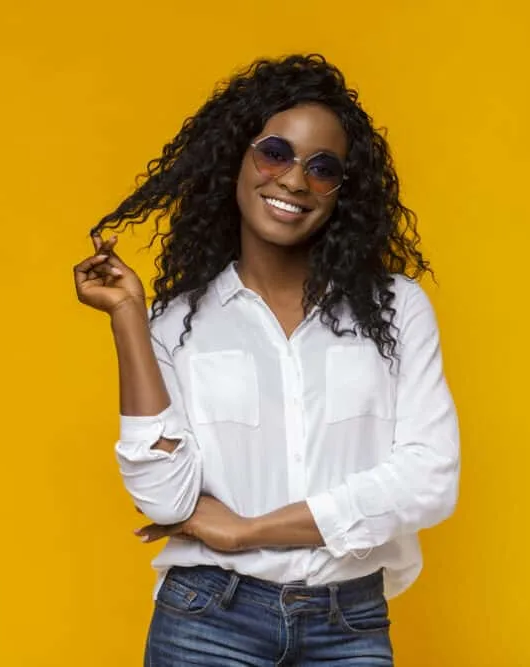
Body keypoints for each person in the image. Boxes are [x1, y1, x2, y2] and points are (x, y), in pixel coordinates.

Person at [72, 54, 460, 666]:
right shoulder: (177, 323)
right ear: (237, 160)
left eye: (323, 168)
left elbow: (429, 480)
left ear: (343, 192)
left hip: (348, 622)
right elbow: (167, 499)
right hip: (208, 618)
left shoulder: (395, 310)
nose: (295, 181)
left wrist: (248, 530)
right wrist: (128, 318)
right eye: (275, 153)